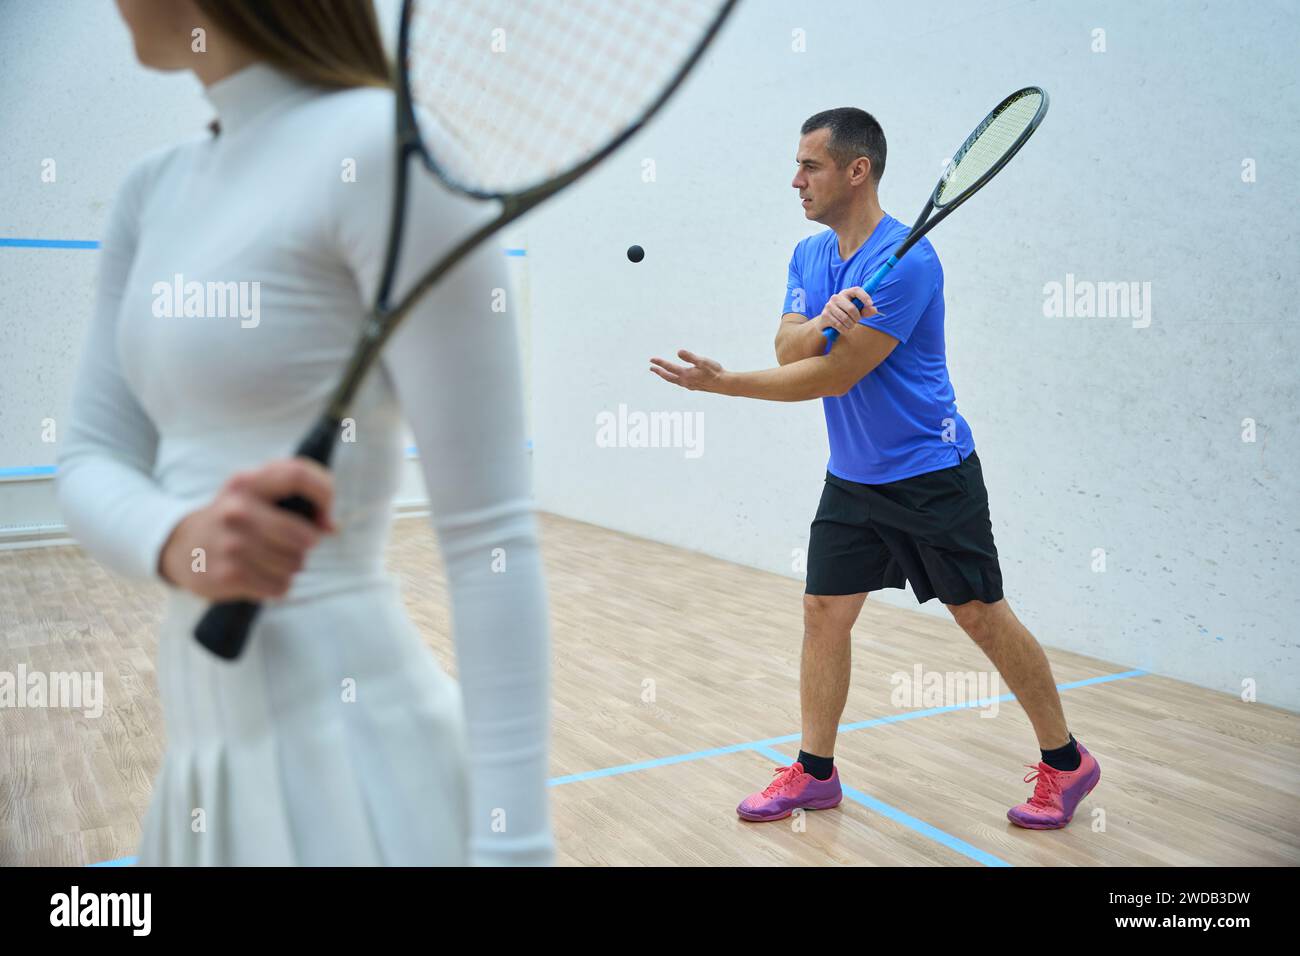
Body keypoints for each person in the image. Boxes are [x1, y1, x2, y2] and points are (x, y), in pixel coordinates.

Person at [56, 0, 553, 865]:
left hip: (365, 776)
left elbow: (492, 542)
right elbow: (90, 454)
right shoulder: (150, 191)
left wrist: (515, 852)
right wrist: (179, 540)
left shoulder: (384, 151)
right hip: (201, 777)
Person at [650, 107, 1101, 830]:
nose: (795, 181)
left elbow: (829, 378)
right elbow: (792, 344)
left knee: (981, 616)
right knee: (823, 611)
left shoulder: (911, 263)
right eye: (798, 165)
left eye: (811, 166)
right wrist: (822, 319)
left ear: (856, 170)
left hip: (928, 471)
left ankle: (1067, 761)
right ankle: (816, 772)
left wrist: (726, 383)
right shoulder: (810, 255)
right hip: (854, 476)